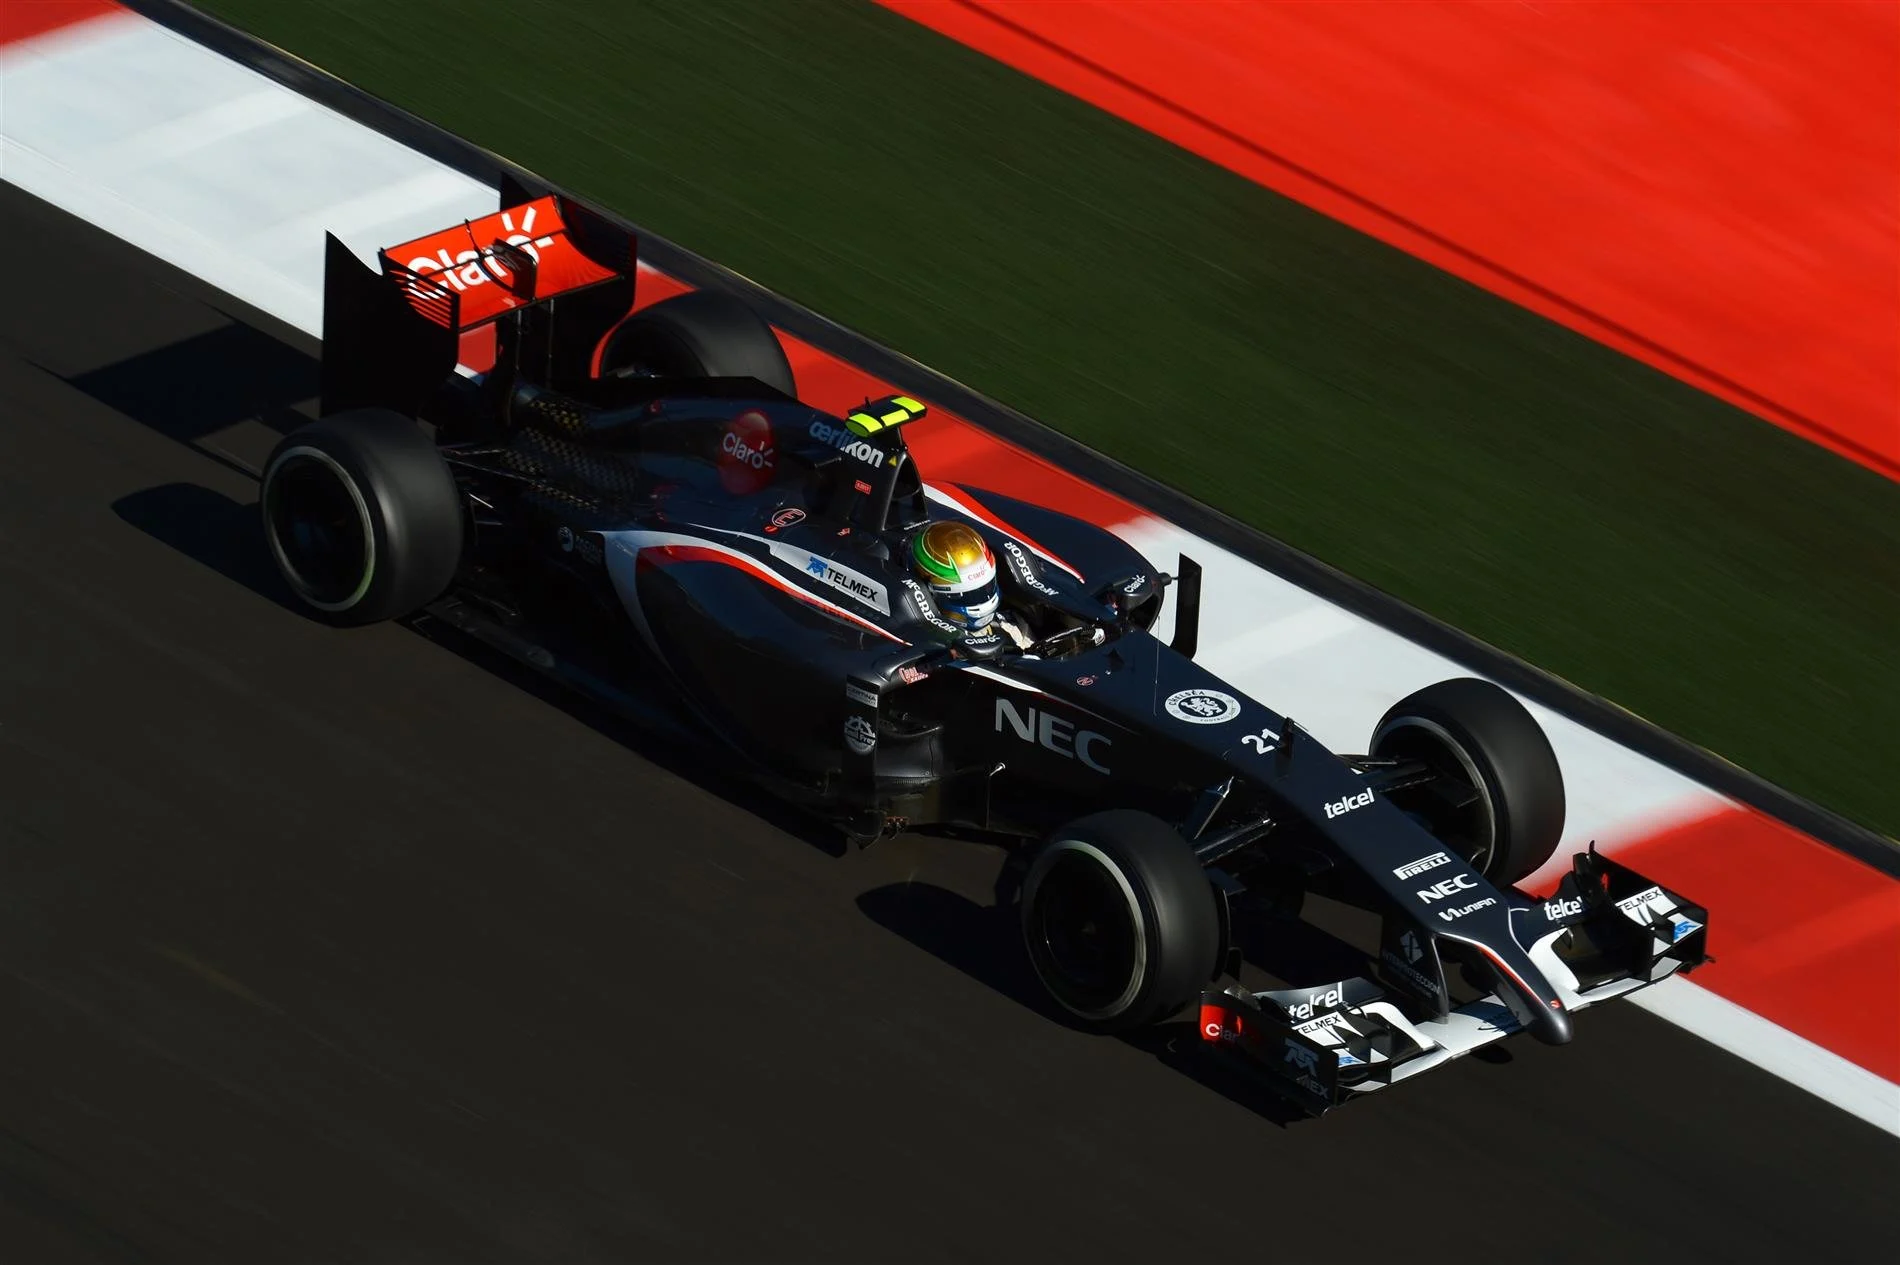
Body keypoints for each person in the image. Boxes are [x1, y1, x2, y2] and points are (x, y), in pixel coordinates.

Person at [909, 520, 1033, 648]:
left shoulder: (1014, 628)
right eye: (966, 595)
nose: (981, 601)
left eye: (985, 588)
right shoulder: (922, 643)